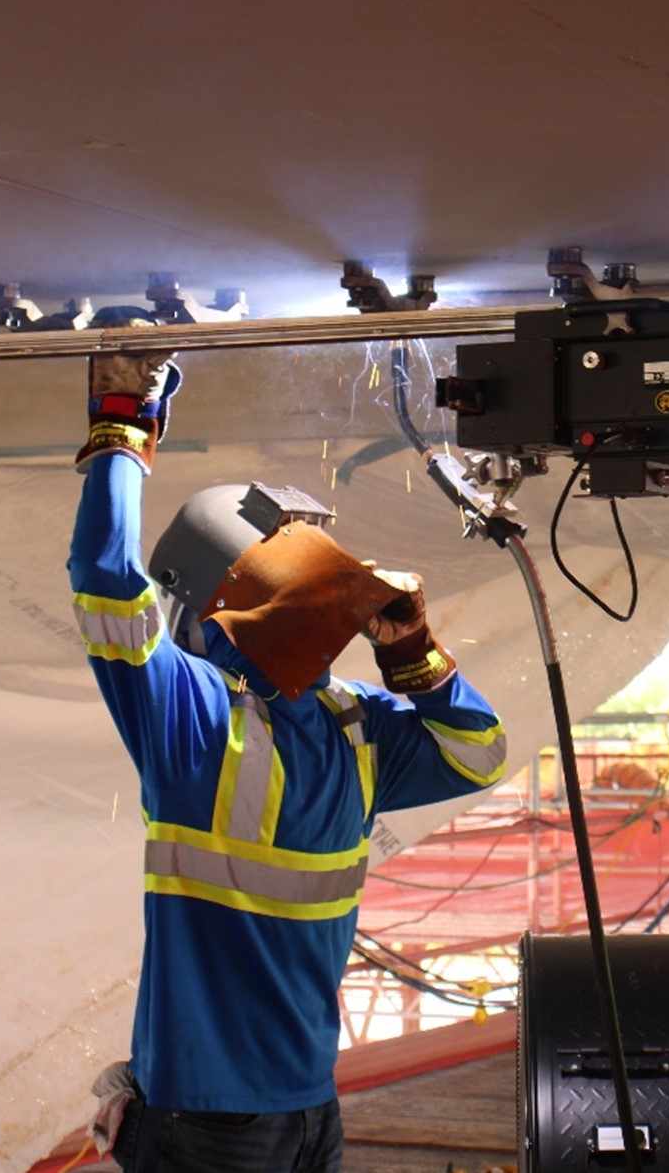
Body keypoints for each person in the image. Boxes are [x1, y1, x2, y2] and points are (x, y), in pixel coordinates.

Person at [66, 344, 508, 1172]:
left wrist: (123, 426)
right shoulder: (358, 726)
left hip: (211, 1123)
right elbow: (478, 751)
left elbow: (103, 578)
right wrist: (414, 655)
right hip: (306, 1109)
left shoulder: (194, 718)